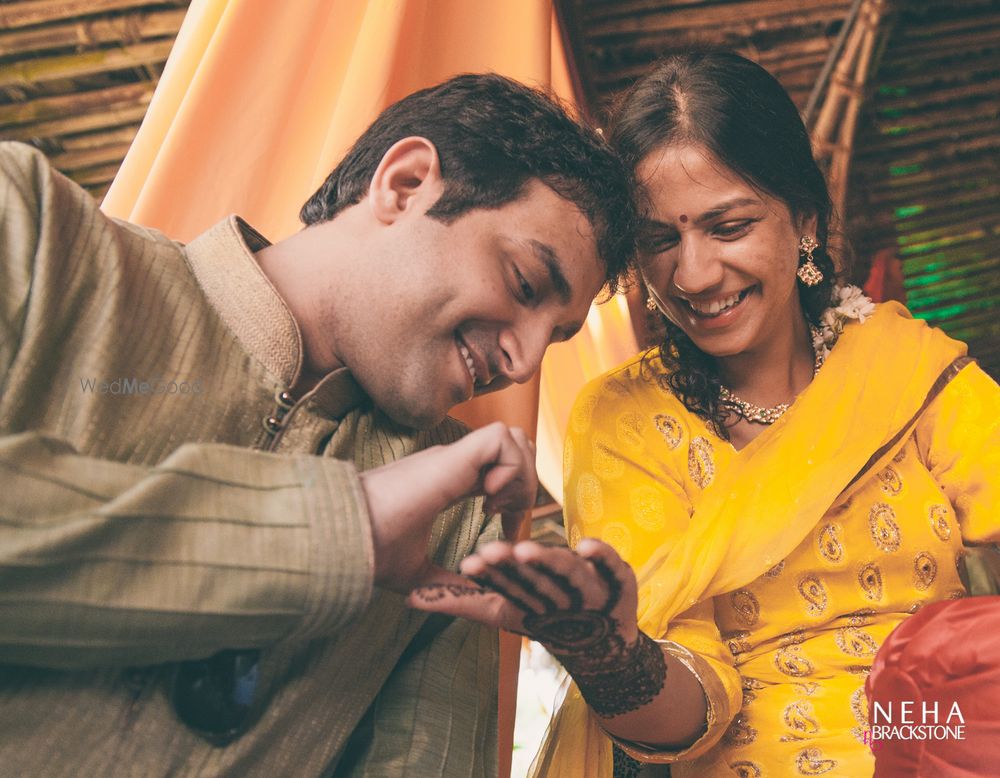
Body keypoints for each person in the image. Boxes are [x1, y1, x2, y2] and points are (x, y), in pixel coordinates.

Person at [0, 73, 637, 776]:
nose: (522, 361)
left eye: (553, 335)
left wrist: (609, 659)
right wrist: (345, 527)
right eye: (523, 284)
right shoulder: (33, 235)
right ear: (404, 183)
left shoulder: (466, 516)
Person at [411, 52, 1000, 777]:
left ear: (804, 221)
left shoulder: (909, 371)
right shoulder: (622, 419)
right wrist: (607, 653)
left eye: (728, 226)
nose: (692, 276)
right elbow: (687, 714)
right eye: (661, 240)